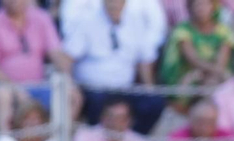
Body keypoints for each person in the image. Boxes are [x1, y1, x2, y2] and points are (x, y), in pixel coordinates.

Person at [64, 0, 164, 132]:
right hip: (93, 89)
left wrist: (149, 87)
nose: (114, 5)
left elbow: (144, 59)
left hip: (125, 88)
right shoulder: (87, 21)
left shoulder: (135, 21)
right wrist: (71, 85)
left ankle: (132, 140)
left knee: (154, 102)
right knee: (97, 102)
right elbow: (67, 57)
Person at [0, 0, 73, 132]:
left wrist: (66, 75)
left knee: (69, 93)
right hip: (2, 86)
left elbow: (55, 52)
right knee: (3, 95)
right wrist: (15, 88)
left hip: (37, 85)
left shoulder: (42, 19)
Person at [158, 0, 234, 90]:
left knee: (219, 83)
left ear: (212, 7)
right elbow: (194, 60)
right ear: (190, 8)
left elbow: (221, 62)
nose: (201, 9)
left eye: (205, 4)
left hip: (215, 76)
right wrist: (204, 74)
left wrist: (214, 75)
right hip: (190, 73)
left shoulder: (224, 31)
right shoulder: (183, 30)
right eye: (198, 5)